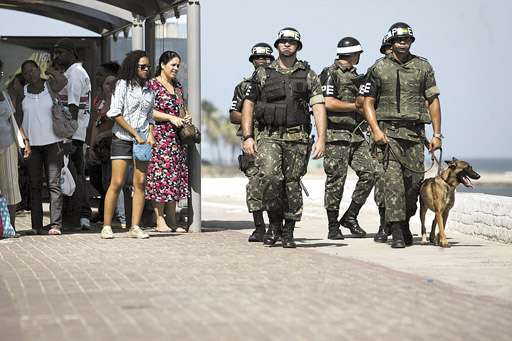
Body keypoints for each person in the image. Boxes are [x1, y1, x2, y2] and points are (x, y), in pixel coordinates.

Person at [242, 27, 327, 248]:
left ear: (298, 46)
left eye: (291, 42)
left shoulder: (309, 75)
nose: (287, 44)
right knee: (270, 177)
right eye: (283, 41)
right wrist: (248, 136)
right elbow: (248, 105)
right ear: (277, 45)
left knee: (291, 184)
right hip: (269, 136)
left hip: (297, 137)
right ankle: (274, 224)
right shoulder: (262, 73)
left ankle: (288, 230)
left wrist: (321, 139)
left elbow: (318, 105)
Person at [361, 22, 443, 248]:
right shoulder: (378, 68)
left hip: (415, 136)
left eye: (407, 39)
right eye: (399, 39)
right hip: (389, 135)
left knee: (413, 185)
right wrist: (376, 130)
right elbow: (367, 102)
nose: (403, 42)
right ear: (391, 42)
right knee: (393, 183)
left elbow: (433, 100)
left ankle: (405, 221)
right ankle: (396, 230)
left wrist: (437, 134)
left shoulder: (423, 67)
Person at [320, 37, 379, 240]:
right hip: (336, 134)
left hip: (357, 135)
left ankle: (351, 216)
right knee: (336, 180)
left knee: (370, 173)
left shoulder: (359, 77)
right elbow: (327, 102)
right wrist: (355, 106)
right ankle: (333, 225)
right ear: (354, 54)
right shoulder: (330, 73)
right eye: (359, 54)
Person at [101, 50, 155, 239]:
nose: (146, 69)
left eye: (148, 66)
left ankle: (135, 226)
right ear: (133, 66)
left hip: (142, 141)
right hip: (123, 138)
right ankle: (107, 226)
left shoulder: (150, 89)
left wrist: (150, 135)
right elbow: (115, 113)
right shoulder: (122, 85)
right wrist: (135, 134)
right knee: (117, 182)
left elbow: (150, 118)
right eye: (142, 66)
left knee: (140, 183)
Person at [229, 43, 278, 243]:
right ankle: (259, 228)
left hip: (275, 138)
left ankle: (277, 226)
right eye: (258, 58)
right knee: (255, 184)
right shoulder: (243, 86)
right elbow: (233, 115)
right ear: (252, 61)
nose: (262, 62)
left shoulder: (279, 83)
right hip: (252, 140)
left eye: (266, 59)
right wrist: (254, 115)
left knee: (276, 183)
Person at [17, 60, 68, 235]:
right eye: (26, 73)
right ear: (23, 76)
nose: (30, 74)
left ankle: (56, 225)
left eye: (33, 70)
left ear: (38, 70)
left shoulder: (50, 86)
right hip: (32, 145)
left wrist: (51, 70)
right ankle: (36, 225)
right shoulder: (21, 91)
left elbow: (63, 81)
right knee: (35, 185)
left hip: (53, 143)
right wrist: (24, 142)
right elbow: (17, 118)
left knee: (54, 184)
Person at [145, 51, 190, 233]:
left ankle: (172, 219)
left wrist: (184, 115)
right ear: (163, 65)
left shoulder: (177, 86)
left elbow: (181, 107)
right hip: (159, 136)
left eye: (178, 65)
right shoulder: (152, 85)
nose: (176, 68)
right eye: (173, 65)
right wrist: (170, 118)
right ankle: (159, 219)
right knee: (160, 178)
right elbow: (148, 111)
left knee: (175, 178)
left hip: (176, 139)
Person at [53, 38, 93, 230]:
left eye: (60, 52)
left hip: (73, 135)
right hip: (74, 133)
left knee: (73, 176)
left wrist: (68, 137)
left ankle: (77, 218)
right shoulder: (72, 72)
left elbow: (73, 107)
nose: (57, 56)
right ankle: (81, 216)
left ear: (70, 52)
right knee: (75, 175)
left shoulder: (75, 73)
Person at [87, 62, 128, 228]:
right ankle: (108, 215)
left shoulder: (122, 102)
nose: (108, 86)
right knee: (104, 181)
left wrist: (104, 135)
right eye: (106, 83)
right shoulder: (100, 101)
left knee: (117, 182)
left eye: (113, 83)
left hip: (117, 145)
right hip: (102, 149)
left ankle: (123, 217)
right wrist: (91, 146)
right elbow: (95, 125)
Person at [0, 58, 22, 232]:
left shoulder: (4, 93)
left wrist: (23, 140)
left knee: (11, 185)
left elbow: (12, 119)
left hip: (8, 145)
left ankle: (10, 227)